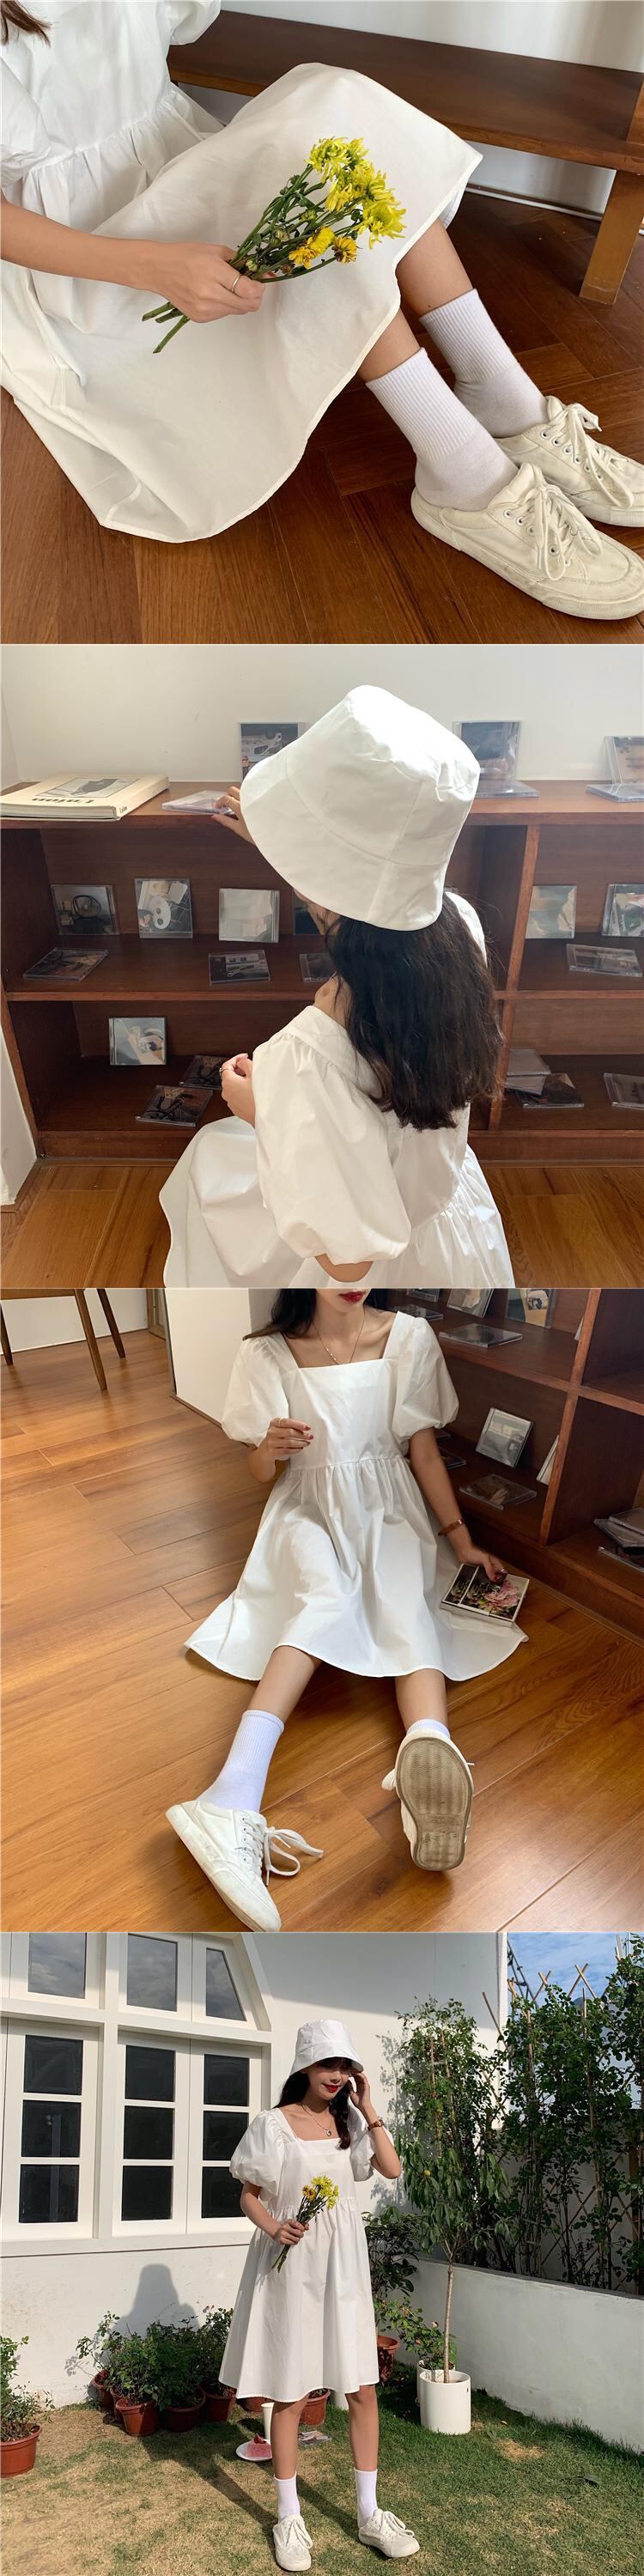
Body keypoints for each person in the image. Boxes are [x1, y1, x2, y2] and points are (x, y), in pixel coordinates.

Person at [1, 3, 641, 616]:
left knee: (342, 107)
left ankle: (503, 398)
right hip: (83, 249)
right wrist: (153, 267)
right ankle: (464, 476)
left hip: (173, 159)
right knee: (310, 222)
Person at [167, 1289, 527, 1929]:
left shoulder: (409, 1337)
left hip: (389, 1505)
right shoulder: (265, 1354)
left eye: (366, 1251)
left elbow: (421, 1451)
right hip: (305, 1509)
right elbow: (258, 1472)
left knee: (407, 1605)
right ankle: (228, 1796)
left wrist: (460, 1539)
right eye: (332, 1253)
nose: (351, 1271)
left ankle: (429, 1753)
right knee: (322, 1601)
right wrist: (269, 1448)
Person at [161, 686, 514, 1289]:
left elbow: (348, 1263)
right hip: (446, 1209)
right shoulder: (462, 926)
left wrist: (261, 1111)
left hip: (366, 1262)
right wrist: (287, 845)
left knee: (211, 1160)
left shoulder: (308, 1055)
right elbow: (374, 888)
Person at [220, 2017, 420, 2568]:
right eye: (327, 2064)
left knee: (362, 2388)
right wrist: (274, 2227)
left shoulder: (350, 2122)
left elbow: (391, 2168)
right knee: (290, 2392)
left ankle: (370, 2513)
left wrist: (369, 2106)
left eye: (344, 2066)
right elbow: (249, 2195)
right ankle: (289, 2517)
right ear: (305, 2066)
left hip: (344, 2266)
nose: (336, 2075)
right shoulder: (273, 2125)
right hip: (293, 2265)